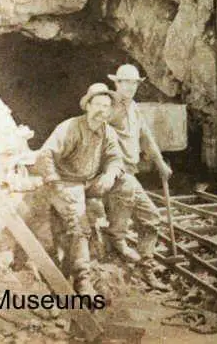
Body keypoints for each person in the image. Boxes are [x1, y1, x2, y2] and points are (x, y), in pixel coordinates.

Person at [35, 82, 133, 295]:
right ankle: (82, 278)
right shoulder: (70, 127)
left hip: (89, 181)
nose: (101, 110)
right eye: (97, 104)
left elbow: (116, 158)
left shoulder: (107, 131)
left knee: (127, 185)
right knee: (79, 220)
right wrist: (55, 182)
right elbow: (45, 155)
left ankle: (117, 236)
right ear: (87, 106)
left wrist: (109, 175)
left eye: (106, 106)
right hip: (66, 181)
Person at [106, 63, 171, 291]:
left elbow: (146, 138)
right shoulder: (110, 106)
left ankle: (145, 269)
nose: (131, 87)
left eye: (134, 83)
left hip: (130, 173)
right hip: (118, 174)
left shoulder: (134, 108)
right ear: (117, 83)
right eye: (126, 82)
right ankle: (135, 265)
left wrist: (160, 163)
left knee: (150, 220)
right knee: (134, 224)